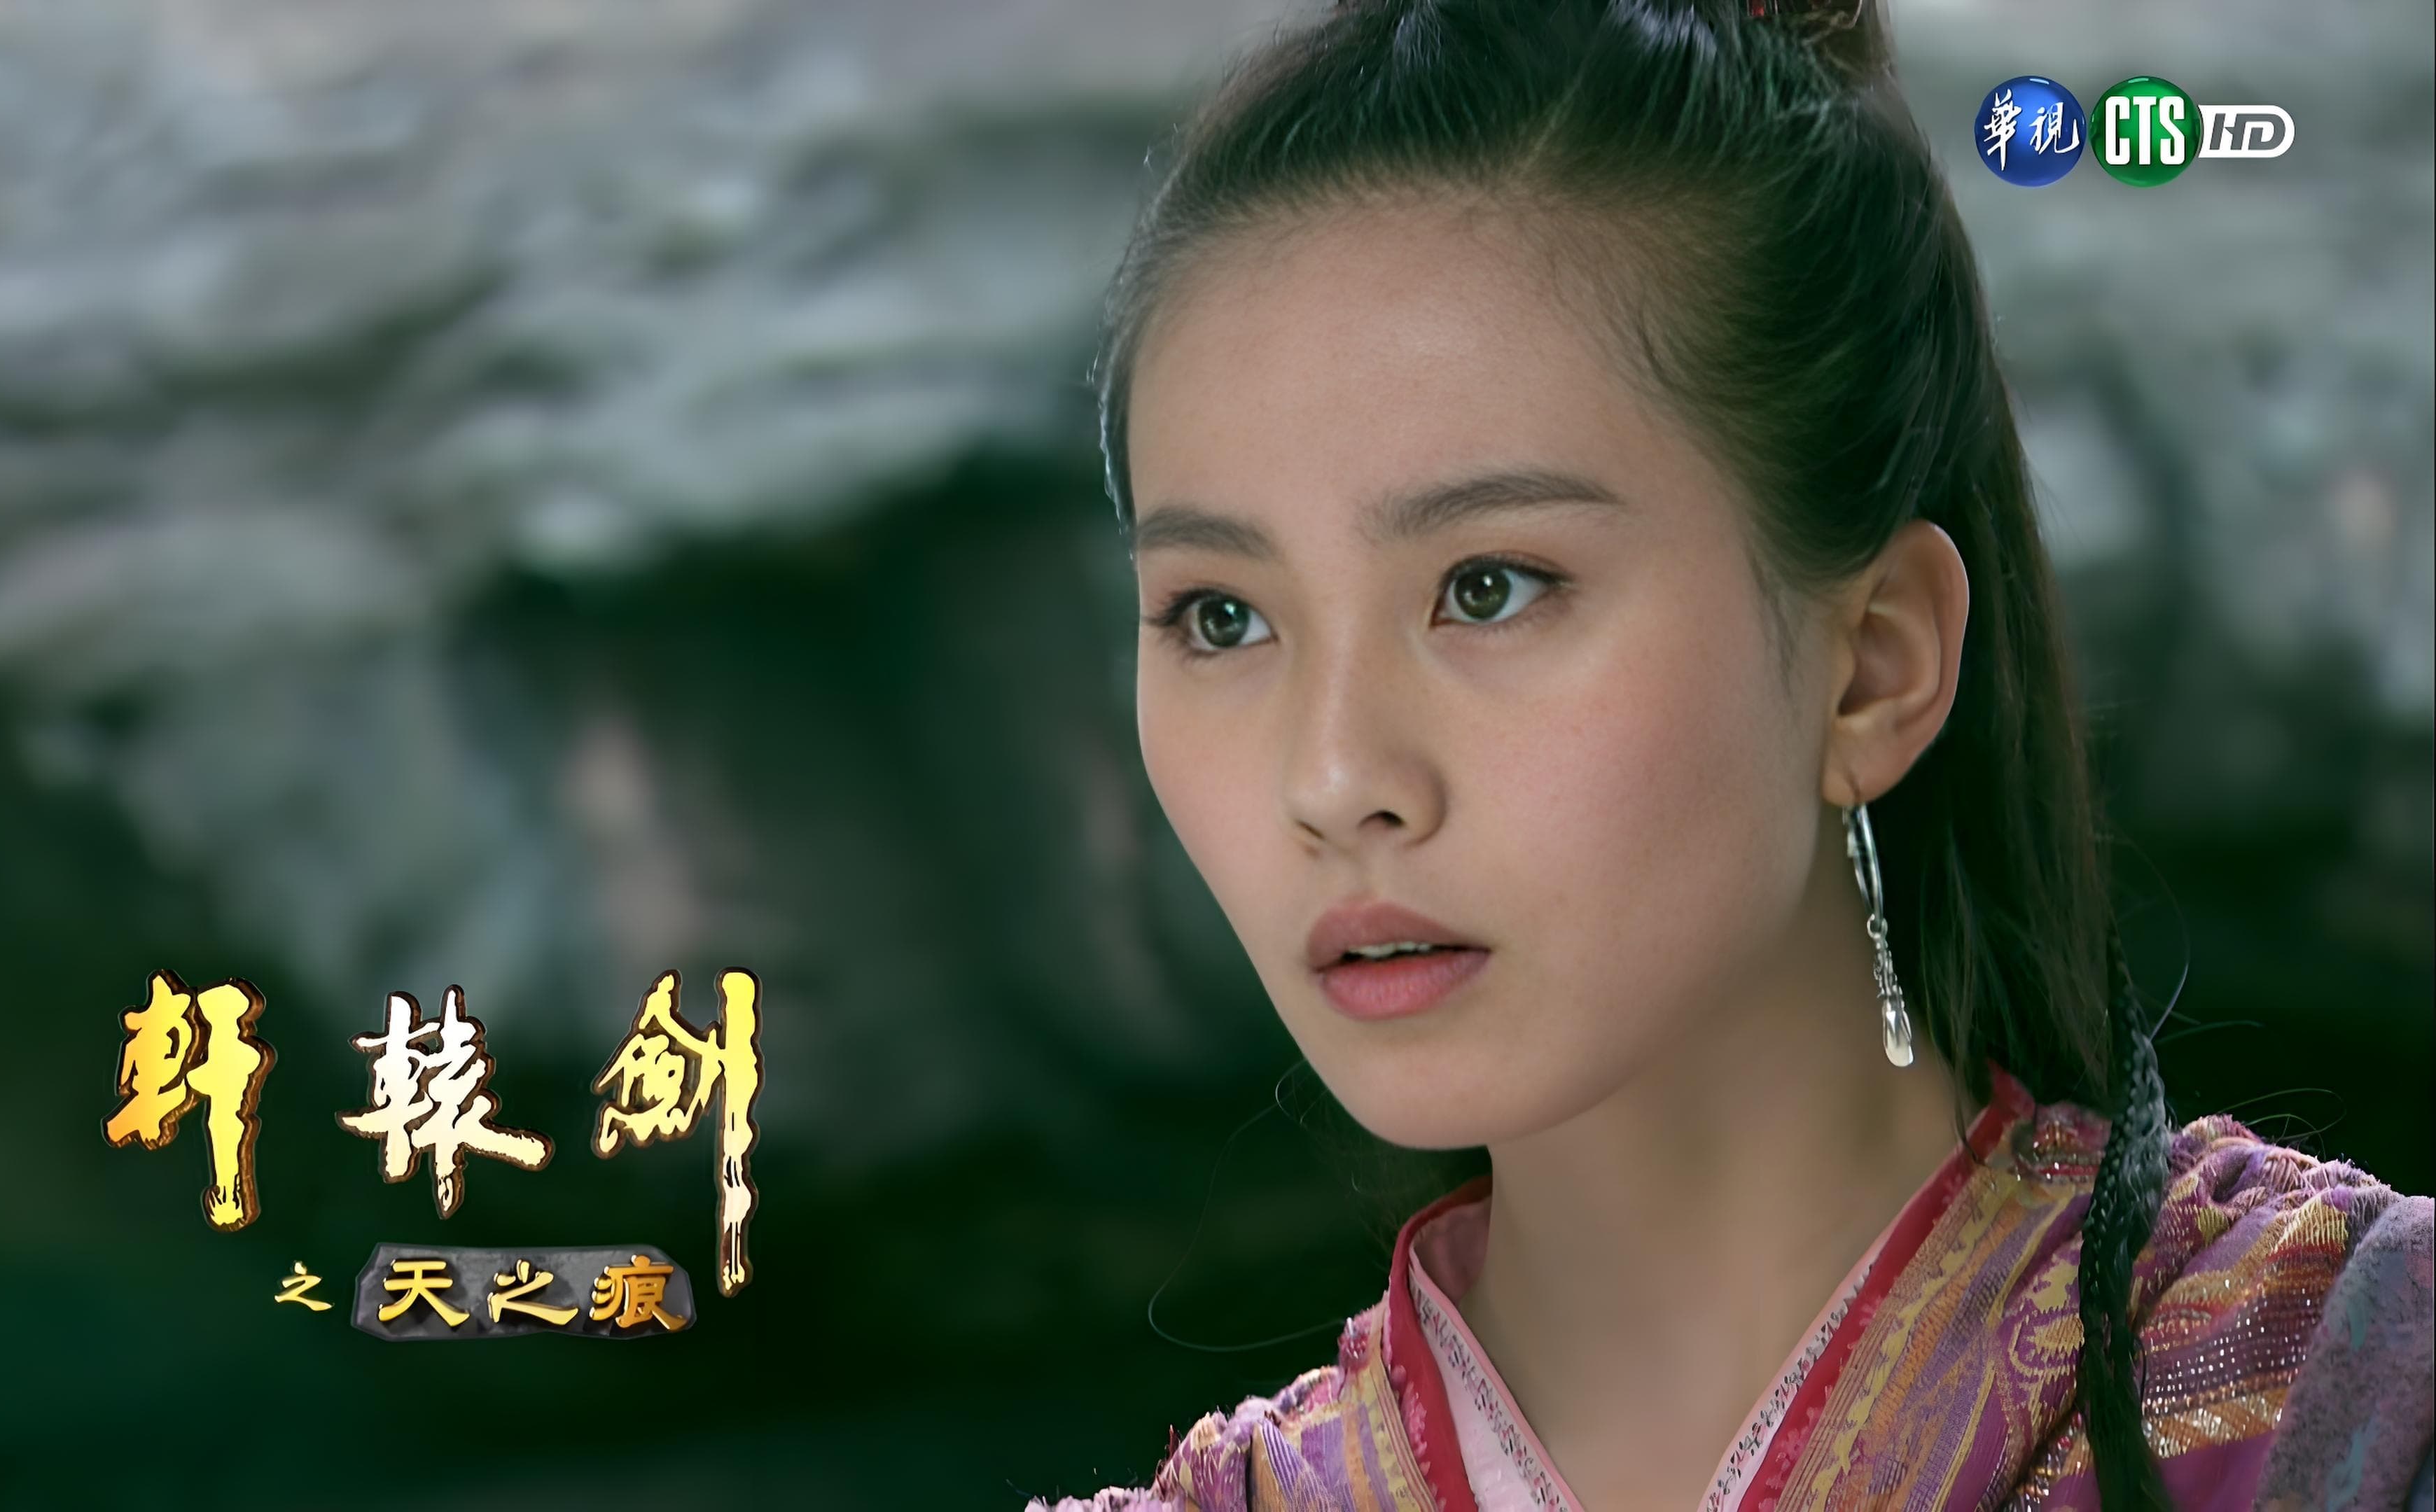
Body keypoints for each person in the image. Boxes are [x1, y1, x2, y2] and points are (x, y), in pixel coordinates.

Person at [1024, 1, 2433, 1508]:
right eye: (1223, 617)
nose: (1333, 776)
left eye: (1488, 587)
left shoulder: (2357, 1395)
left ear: (1872, 664)